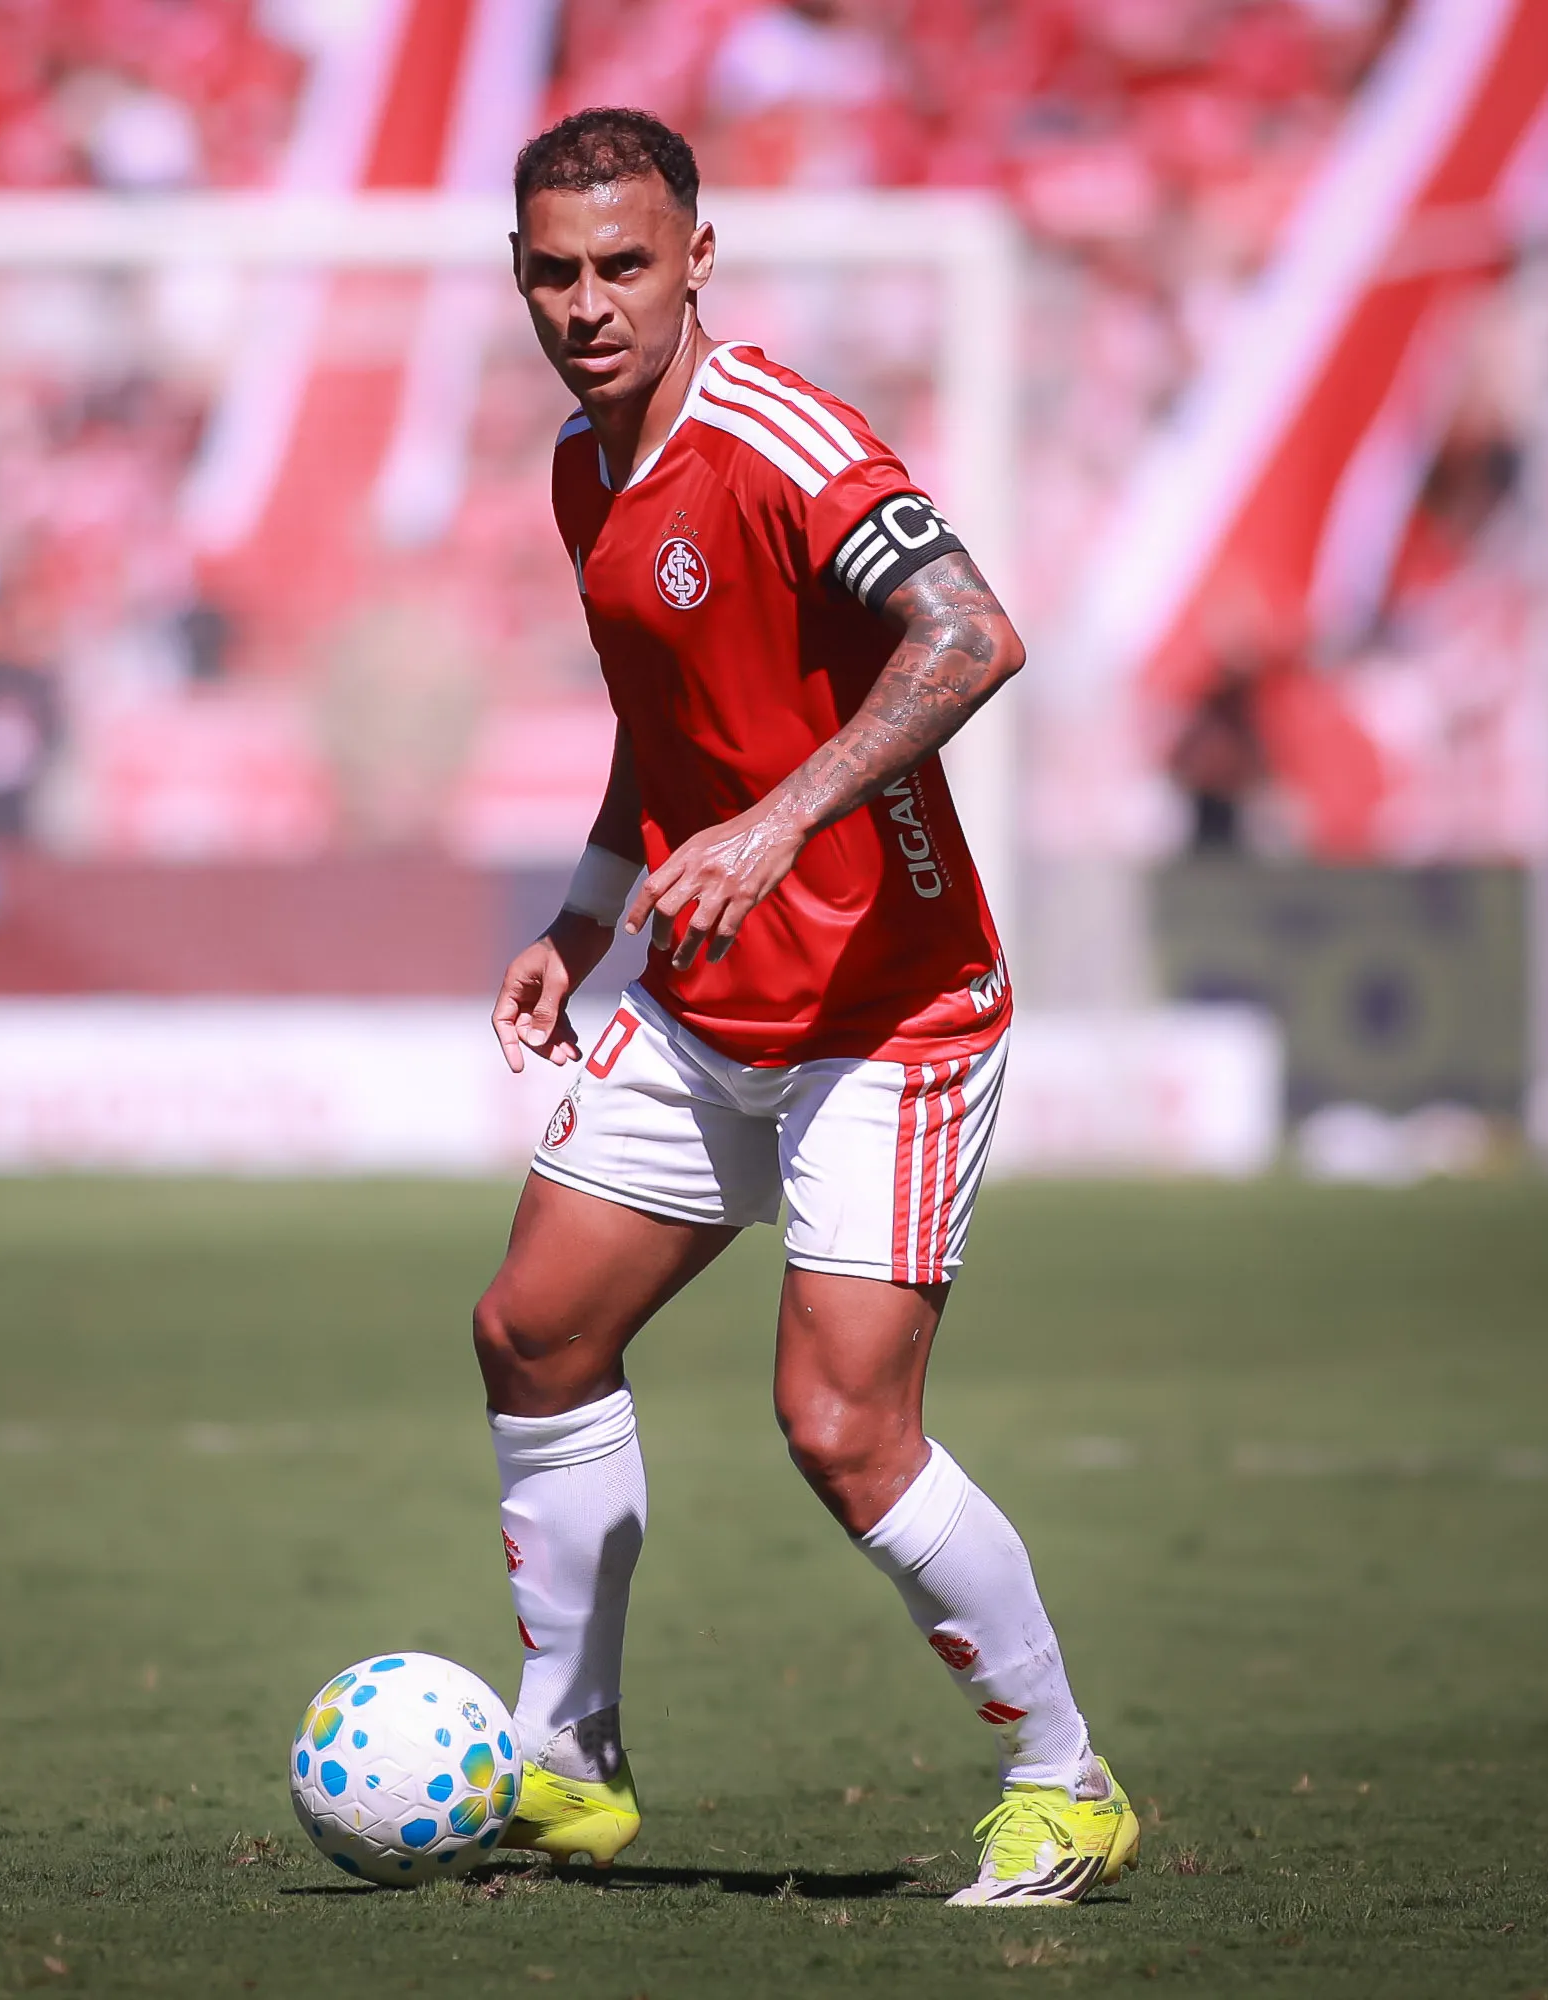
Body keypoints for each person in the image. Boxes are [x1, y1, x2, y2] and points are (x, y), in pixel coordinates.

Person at [477, 107, 1135, 1907]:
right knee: (535, 1332)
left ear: (700, 256)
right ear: (519, 277)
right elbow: (665, 725)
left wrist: (780, 823)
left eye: (625, 264)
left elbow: (972, 634)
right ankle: (569, 1761)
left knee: (841, 1428)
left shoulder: (784, 440)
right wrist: (585, 914)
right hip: (705, 1001)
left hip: (892, 1006)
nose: (589, 303)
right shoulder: (580, 470)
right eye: (555, 271)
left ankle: (1063, 1780)